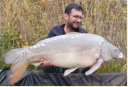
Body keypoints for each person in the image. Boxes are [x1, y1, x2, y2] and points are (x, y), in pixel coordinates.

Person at [40, 3, 95, 73]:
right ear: (66, 16)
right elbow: (45, 51)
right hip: (56, 71)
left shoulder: (84, 35)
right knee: (47, 66)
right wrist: (46, 62)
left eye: (80, 17)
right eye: (75, 16)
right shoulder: (55, 31)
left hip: (75, 73)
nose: (78, 20)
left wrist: (91, 63)